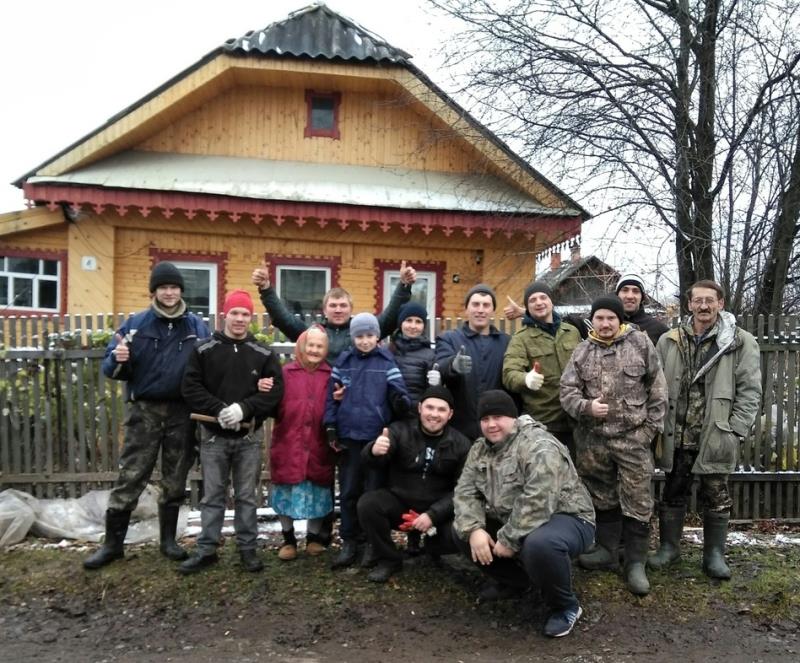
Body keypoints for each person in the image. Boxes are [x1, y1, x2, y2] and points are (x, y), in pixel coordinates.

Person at [84, 262, 209, 570]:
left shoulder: (196, 327)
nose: (169, 292)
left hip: (183, 412)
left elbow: (211, 365)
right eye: (163, 287)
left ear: (181, 290)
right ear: (154, 291)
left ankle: (168, 541)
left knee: (175, 477)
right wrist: (118, 358)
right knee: (131, 475)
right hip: (145, 411)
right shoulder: (136, 325)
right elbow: (110, 368)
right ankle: (112, 545)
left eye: (174, 287)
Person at [453, 390, 595, 638]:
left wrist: (508, 539)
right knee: (461, 530)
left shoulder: (539, 445)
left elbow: (539, 499)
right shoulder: (480, 449)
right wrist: (474, 529)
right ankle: (517, 582)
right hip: (515, 520)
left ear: (514, 418)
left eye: (498, 417)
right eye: (485, 419)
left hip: (569, 517)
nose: (491, 424)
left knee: (540, 545)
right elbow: (466, 492)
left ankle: (565, 606)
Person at [648, 280, 761, 579]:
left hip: (715, 432)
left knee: (716, 495)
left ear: (720, 303)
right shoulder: (670, 340)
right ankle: (670, 549)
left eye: (710, 300)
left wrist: (735, 429)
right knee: (673, 492)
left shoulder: (738, 341)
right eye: (698, 300)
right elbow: (656, 386)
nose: (704, 306)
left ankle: (713, 556)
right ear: (689, 305)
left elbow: (751, 391)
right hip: (677, 433)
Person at [560, 295, 667, 596]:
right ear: (592, 321)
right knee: (601, 495)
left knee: (637, 498)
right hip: (594, 441)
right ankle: (607, 550)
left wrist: (649, 431)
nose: (605, 324)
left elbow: (658, 390)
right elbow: (566, 392)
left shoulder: (641, 344)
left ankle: (635, 563)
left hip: (633, 438)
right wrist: (585, 407)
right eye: (599, 318)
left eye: (611, 318)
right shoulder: (581, 352)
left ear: (621, 320)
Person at [179, 290, 284, 574]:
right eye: (235, 313)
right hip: (213, 437)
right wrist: (219, 410)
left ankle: (248, 550)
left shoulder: (263, 354)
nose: (239, 319)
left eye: (245, 314)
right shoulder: (203, 350)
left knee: (247, 496)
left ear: (251, 317)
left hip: (248, 438)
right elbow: (190, 387)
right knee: (212, 496)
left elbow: (275, 392)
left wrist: (244, 409)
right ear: (225, 314)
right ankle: (206, 550)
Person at [357, 385, 472, 582]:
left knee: (460, 529)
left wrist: (433, 515)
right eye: (429, 407)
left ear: (450, 414)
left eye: (441, 409)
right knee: (368, 504)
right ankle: (389, 559)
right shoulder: (399, 430)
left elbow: (463, 490)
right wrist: (373, 451)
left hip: (437, 512)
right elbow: (373, 462)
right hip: (400, 503)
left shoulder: (461, 444)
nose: (434, 414)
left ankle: (433, 548)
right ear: (420, 408)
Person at [324, 312, 411, 569]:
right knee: (349, 491)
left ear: (377, 336)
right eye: (359, 336)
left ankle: (373, 543)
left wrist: (400, 402)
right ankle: (351, 540)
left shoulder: (386, 361)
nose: (364, 341)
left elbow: (400, 393)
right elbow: (331, 396)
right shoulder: (344, 361)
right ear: (353, 338)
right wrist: (330, 425)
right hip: (349, 436)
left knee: (372, 493)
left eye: (369, 335)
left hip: (375, 440)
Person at [251, 261, 417, 364]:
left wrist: (403, 285)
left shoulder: (364, 332)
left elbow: (390, 316)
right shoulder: (313, 332)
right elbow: (283, 318)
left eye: (343, 305)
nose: (338, 309)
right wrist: (266, 289)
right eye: (333, 305)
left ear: (351, 309)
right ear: (324, 310)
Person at [269, 325, 335, 561]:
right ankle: (288, 539)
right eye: (311, 345)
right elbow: (272, 404)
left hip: (318, 442)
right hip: (289, 440)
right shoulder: (286, 373)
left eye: (320, 346)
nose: (315, 350)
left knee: (317, 491)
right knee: (286, 490)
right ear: (301, 346)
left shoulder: (331, 375)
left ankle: (313, 538)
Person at [502, 281, 582, 457]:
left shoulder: (572, 332)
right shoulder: (521, 339)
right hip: (544, 423)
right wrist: (526, 379)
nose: (539, 302)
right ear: (527, 307)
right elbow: (509, 374)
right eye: (532, 300)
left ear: (551, 301)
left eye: (543, 297)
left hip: (576, 422)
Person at [435, 284, 511, 440]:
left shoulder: (506, 342)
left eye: (486, 305)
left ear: (493, 310)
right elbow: (440, 367)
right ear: (466, 309)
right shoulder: (449, 339)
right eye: (475, 304)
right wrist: (453, 365)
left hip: (496, 429)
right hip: (459, 430)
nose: (480, 310)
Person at [388, 301, 437, 409]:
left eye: (418, 322)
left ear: (424, 326)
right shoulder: (388, 350)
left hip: (415, 415)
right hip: (388, 414)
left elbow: (431, 392)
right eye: (408, 320)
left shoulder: (430, 355)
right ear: (400, 323)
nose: (413, 326)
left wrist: (437, 383)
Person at [615, 273, 669, 346]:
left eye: (636, 291)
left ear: (642, 297)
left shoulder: (659, 330)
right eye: (625, 290)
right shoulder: (606, 325)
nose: (630, 296)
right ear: (617, 294)